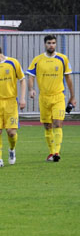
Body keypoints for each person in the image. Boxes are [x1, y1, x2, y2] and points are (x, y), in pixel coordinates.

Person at [27, 34, 75, 162]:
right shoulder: (37, 60)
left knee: (58, 123)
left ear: (56, 44)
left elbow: (68, 78)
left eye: (53, 43)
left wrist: (73, 97)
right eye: (49, 43)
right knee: (47, 126)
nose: (51, 45)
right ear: (45, 44)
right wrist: (31, 89)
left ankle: (57, 152)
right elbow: (30, 76)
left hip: (58, 96)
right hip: (44, 98)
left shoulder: (62, 59)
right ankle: (51, 152)